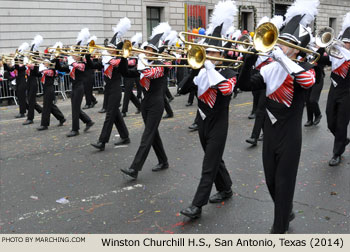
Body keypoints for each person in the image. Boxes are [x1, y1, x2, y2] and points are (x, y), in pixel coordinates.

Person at [237, 0, 318, 233]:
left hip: (290, 135)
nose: (280, 47)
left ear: (296, 50)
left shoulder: (306, 69)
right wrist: (249, 59)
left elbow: (306, 81)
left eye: (286, 45)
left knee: (284, 183)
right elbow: (244, 85)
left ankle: (279, 228)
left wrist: (283, 59)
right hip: (270, 133)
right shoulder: (268, 69)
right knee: (272, 181)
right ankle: (286, 210)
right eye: (279, 43)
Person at [179, 0, 238, 219]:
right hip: (203, 121)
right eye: (208, 52)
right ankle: (226, 188)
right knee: (215, 160)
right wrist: (195, 69)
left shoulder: (230, 73)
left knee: (208, 164)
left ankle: (197, 205)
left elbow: (225, 90)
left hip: (219, 123)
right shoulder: (202, 71)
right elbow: (182, 90)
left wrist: (210, 68)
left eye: (215, 53)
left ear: (222, 55)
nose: (211, 56)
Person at [119, 22, 171, 179]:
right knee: (153, 134)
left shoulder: (160, 65)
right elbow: (126, 73)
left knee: (147, 135)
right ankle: (163, 161)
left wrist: (140, 60)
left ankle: (135, 168)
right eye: (146, 49)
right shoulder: (144, 64)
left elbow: (149, 74)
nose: (147, 51)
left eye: (151, 50)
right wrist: (123, 58)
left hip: (156, 103)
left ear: (156, 53)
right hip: (146, 103)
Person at [89, 17, 131, 151]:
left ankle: (102, 141)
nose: (108, 49)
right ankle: (125, 136)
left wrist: (122, 57)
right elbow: (93, 65)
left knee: (109, 115)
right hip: (108, 88)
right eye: (108, 47)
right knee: (115, 114)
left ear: (116, 50)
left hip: (116, 89)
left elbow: (123, 69)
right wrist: (86, 56)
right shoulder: (107, 59)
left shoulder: (118, 60)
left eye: (111, 48)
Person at [317, 12, 350, 166]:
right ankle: (342, 139)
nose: (344, 44)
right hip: (334, 90)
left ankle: (337, 153)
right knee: (330, 120)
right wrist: (320, 48)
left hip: (347, 93)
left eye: (347, 42)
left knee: (342, 122)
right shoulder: (336, 53)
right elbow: (321, 60)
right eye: (344, 42)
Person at [55, 28, 95, 137]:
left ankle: (75, 129)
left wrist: (71, 61)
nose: (72, 55)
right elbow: (62, 69)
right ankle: (88, 121)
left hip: (80, 86)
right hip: (74, 86)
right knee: (75, 107)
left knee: (75, 108)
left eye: (74, 54)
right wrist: (57, 59)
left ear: (79, 56)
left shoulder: (82, 64)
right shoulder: (73, 63)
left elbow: (77, 66)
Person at [36, 59, 66, 131]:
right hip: (46, 90)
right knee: (51, 106)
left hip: (49, 89)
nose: (43, 63)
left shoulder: (51, 70)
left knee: (46, 107)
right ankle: (61, 118)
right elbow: (37, 74)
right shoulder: (46, 69)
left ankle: (44, 124)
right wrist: (35, 65)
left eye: (45, 62)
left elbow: (42, 72)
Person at [23, 35, 44, 125]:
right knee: (29, 99)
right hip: (28, 81)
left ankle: (30, 118)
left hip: (33, 82)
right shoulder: (30, 61)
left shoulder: (35, 63)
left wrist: (33, 67)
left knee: (31, 101)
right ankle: (42, 111)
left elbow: (37, 73)